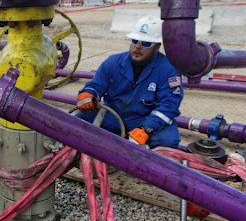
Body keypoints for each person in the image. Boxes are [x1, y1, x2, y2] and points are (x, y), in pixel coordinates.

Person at [75, 16, 183, 149]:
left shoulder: (168, 70)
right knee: (77, 122)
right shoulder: (113, 62)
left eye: (146, 43)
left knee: (168, 141)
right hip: (113, 116)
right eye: (135, 40)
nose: (138, 46)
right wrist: (88, 93)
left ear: (157, 47)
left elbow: (168, 106)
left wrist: (146, 129)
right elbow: (96, 85)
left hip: (144, 119)